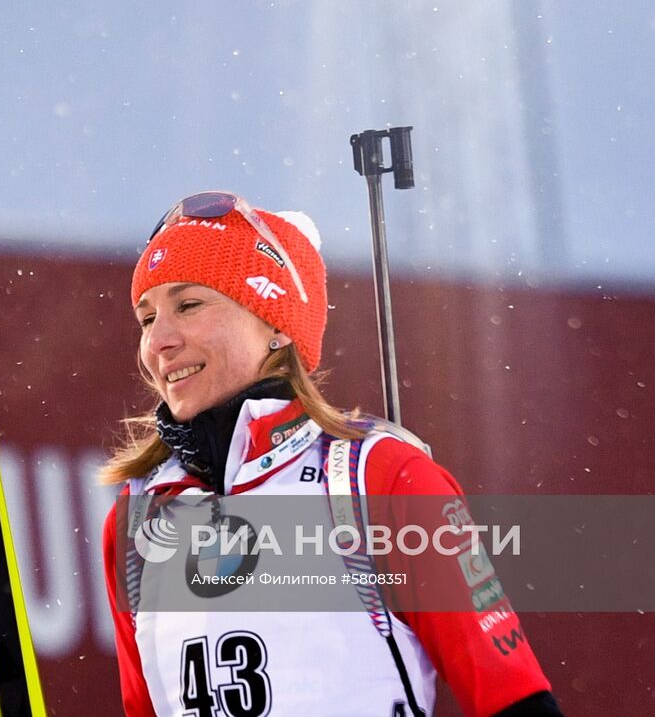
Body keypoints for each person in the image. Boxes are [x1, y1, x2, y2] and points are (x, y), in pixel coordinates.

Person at [100, 191, 563, 717]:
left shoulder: (378, 477)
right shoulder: (139, 519)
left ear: (275, 322)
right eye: (145, 319)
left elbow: (513, 697)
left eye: (188, 305)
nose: (158, 340)